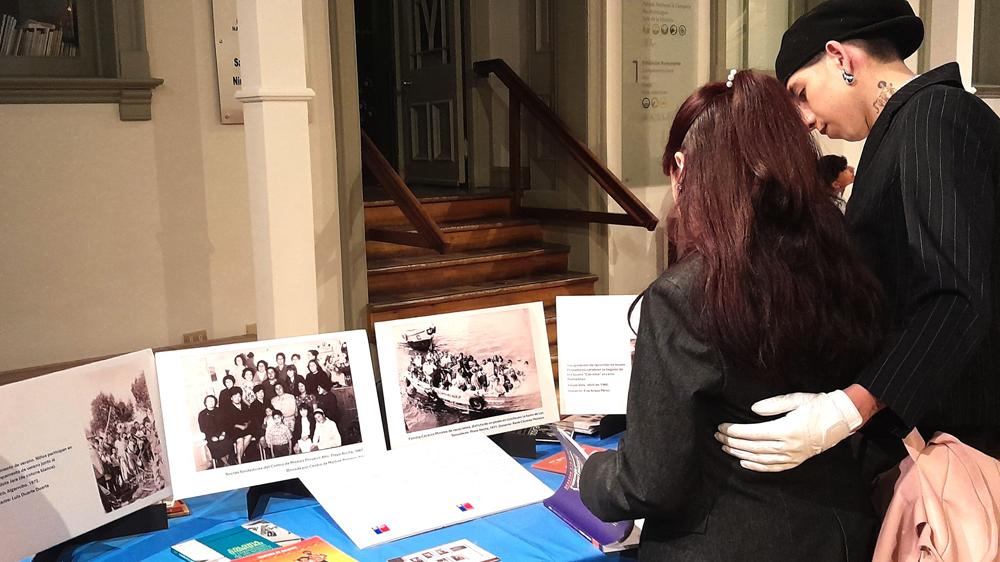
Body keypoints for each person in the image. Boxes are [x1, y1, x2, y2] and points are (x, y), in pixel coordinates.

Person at [578, 70, 884, 560]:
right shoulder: (846, 264)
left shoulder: (683, 296)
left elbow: (651, 482)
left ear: (682, 168)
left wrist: (591, 476)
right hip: (843, 531)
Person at [716, 0, 1000, 475]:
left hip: (965, 441)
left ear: (841, 58)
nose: (803, 119)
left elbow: (954, 296)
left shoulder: (932, 115)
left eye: (801, 93)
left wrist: (850, 408)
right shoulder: (903, 129)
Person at [198, 395, 232, 468]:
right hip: (210, 436)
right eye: (209, 401)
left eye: (213, 401)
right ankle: (226, 463)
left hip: (222, 434)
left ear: (215, 402)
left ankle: (227, 462)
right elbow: (203, 428)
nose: (211, 402)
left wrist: (223, 434)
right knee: (215, 445)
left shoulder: (220, 411)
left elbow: (225, 424)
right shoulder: (202, 414)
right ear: (205, 403)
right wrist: (212, 437)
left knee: (228, 443)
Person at [225, 390, 253, 463]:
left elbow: (250, 418)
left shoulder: (244, 406)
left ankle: (237, 457)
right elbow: (228, 423)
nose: (237, 398)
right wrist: (239, 426)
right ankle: (240, 461)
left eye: (239, 396)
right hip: (234, 429)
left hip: (245, 427)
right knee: (240, 439)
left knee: (249, 436)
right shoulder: (228, 408)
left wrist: (247, 424)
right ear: (231, 398)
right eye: (235, 397)